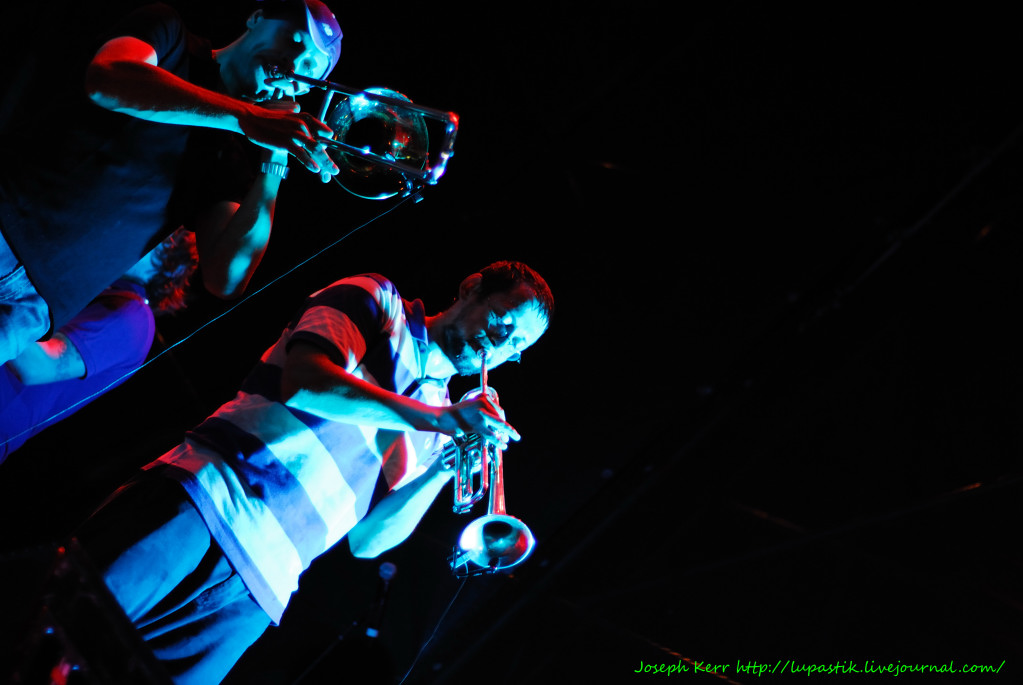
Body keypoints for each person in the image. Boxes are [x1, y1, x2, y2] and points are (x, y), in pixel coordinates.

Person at [72, 260, 554, 684]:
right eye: (503, 321)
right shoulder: (379, 300)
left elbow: (368, 543)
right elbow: (305, 384)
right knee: (57, 626)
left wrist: (445, 466)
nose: (502, 345)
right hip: (205, 500)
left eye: (517, 345)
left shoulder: (438, 424)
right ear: (471, 288)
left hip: (262, 587)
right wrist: (438, 420)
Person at [0, 0, 344, 366]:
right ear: (256, 18)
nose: (294, 64)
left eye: (310, 67)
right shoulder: (173, 36)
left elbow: (226, 279)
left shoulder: (228, 158)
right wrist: (246, 118)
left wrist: (274, 160)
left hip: (36, 306)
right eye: (293, 39)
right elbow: (107, 78)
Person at [0, 229, 198, 463]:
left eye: (160, 232)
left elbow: (35, 366)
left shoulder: (136, 319)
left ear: (168, 259)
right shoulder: (105, 293)